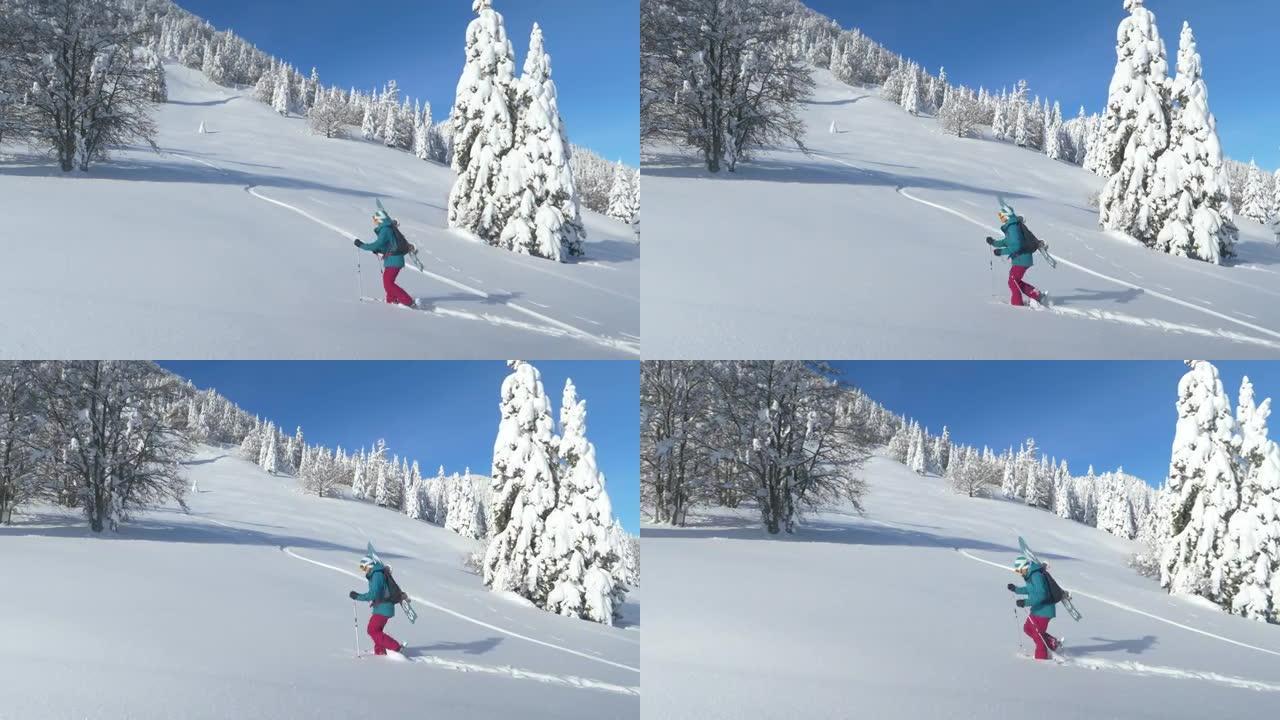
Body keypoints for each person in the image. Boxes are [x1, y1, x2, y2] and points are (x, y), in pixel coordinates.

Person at [986, 204, 1043, 307]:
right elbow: (1007, 241)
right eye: (1000, 216)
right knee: (1015, 281)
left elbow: (1016, 246)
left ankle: (1017, 304)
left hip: (1022, 258)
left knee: (1013, 281)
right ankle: (1035, 294)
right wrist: (994, 242)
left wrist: (1001, 252)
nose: (1001, 218)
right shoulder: (1012, 226)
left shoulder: (1012, 227)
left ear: (1007, 215)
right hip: (1022, 258)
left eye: (1002, 216)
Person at [354, 210, 414, 307]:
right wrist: (378, 250)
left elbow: (377, 244)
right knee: (388, 282)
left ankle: (408, 301)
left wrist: (362, 245)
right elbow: (388, 245)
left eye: (376, 220)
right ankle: (391, 300)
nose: (375, 222)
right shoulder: (387, 229)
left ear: (381, 220)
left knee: (388, 283)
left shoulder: (385, 229)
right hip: (392, 259)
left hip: (394, 260)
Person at [1008, 554, 1060, 660]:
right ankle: (1051, 642)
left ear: (1025, 567)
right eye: (1017, 571)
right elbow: (1030, 589)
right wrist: (1016, 589)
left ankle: (1041, 659)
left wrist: (1025, 602)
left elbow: (1042, 595)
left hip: (1045, 610)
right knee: (1027, 629)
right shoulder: (1030, 575)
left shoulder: (1036, 576)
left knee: (1037, 635)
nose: (1019, 573)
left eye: (1019, 570)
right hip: (1037, 609)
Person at [349, 555, 404, 656]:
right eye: (361, 568)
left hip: (384, 607)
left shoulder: (376, 575)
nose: (364, 570)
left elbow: (373, 594)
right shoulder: (375, 574)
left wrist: (358, 596)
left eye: (364, 567)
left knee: (372, 630)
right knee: (377, 630)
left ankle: (396, 647)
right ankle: (380, 651)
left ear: (369, 565)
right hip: (381, 607)